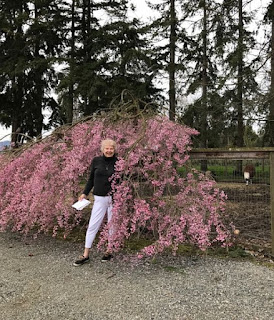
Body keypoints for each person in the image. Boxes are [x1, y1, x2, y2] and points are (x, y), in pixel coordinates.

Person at [73, 138, 118, 266]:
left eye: (111, 148)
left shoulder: (119, 162)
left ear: (114, 150)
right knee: (93, 225)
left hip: (115, 200)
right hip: (99, 198)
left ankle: (109, 250)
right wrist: (84, 193)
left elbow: (123, 180)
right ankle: (86, 254)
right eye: (107, 148)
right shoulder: (96, 161)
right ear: (103, 149)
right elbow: (91, 179)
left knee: (112, 225)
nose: (109, 150)